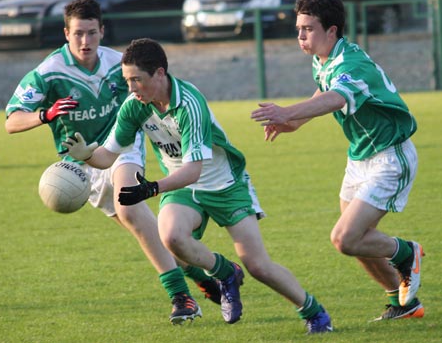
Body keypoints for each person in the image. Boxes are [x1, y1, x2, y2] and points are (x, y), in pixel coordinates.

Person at [61, 37, 333, 334]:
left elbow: (194, 170)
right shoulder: (134, 106)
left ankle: (314, 313)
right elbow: (108, 155)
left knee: (257, 265)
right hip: (184, 188)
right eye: (127, 80)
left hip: (225, 185)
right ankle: (225, 272)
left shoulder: (189, 104)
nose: (132, 88)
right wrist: (86, 154)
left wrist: (152, 188)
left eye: (137, 80)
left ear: (160, 74)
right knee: (171, 238)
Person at [4, 0, 221, 325]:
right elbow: (11, 120)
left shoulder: (119, 65)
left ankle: (182, 299)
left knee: (129, 206)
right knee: (150, 233)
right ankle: (202, 277)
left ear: (102, 31)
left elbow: (158, 88)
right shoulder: (48, 73)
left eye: (92, 33)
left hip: (121, 147)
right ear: (66, 33)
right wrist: (44, 115)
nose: (85, 41)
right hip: (80, 163)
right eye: (78, 34)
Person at [251, 0, 424, 321]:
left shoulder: (351, 64)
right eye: (299, 28)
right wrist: (295, 122)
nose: (301, 36)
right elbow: (323, 89)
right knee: (357, 242)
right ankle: (404, 305)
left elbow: (335, 97)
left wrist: (286, 111)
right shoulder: (324, 59)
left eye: (309, 29)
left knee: (345, 239)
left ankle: (406, 252)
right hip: (359, 158)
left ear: (332, 30)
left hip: (390, 158)